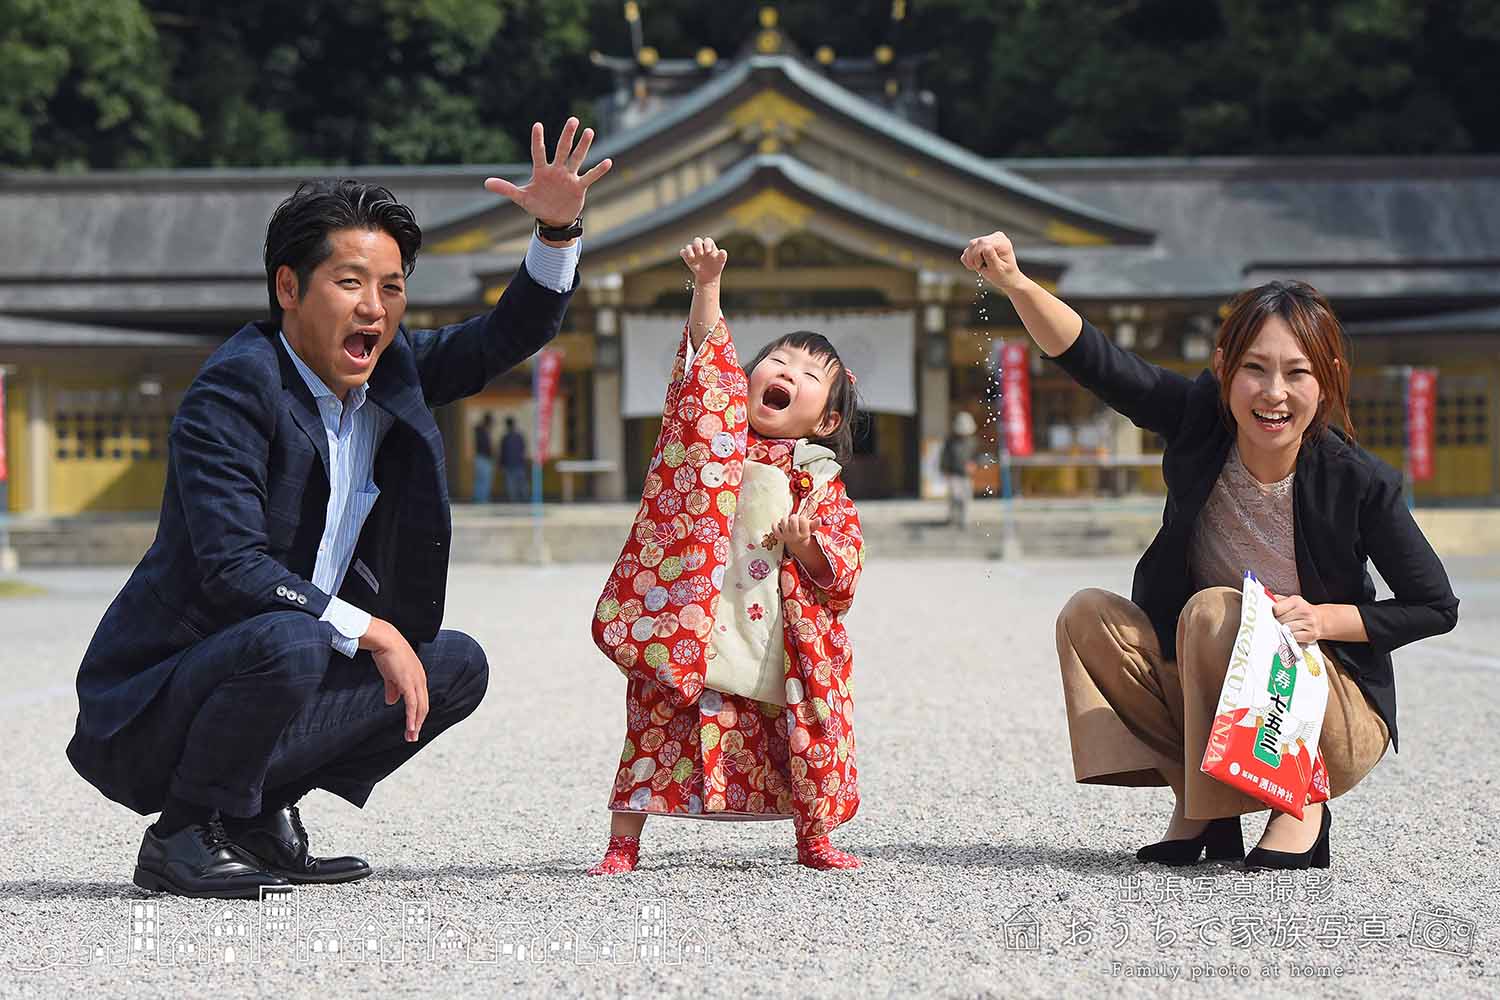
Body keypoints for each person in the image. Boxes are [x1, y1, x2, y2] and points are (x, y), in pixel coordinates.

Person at [65, 118, 612, 899]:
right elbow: (232, 568)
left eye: (391, 287)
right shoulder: (236, 388)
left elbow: (503, 336)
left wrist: (556, 232)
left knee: (454, 665)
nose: (375, 308)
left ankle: (254, 815)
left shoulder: (393, 371)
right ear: (289, 288)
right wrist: (370, 628)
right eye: (350, 283)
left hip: (276, 658)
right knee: (296, 636)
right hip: (153, 703)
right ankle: (180, 836)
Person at [962, 231, 1458, 871]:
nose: (1273, 392)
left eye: (1297, 372)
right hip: (1215, 690)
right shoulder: (1198, 420)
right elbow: (1097, 360)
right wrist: (1015, 283)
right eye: (1254, 368)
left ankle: (1302, 806)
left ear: (1328, 378)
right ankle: (1202, 804)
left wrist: (1323, 618)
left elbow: (1435, 605)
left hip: (1328, 710)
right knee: (1089, 615)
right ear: (1224, 368)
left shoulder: (1357, 481)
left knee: (1215, 611)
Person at [587, 237, 866, 874]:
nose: (787, 373)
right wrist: (707, 285)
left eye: (809, 375)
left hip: (779, 633)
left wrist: (808, 544)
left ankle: (815, 837)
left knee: (800, 731)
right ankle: (623, 842)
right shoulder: (713, 438)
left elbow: (845, 566)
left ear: (825, 422)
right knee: (656, 724)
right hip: (696, 615)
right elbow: (706, 372)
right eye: (778, 361)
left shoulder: (820, 480)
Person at [940, 410, 979, 528]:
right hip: (953, 473)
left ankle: (964, 520)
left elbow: (976, 457)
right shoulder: (950, 441)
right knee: (955, 497)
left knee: (966, 497)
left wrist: (974, 464)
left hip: (967, 475)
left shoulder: (973, 441)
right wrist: (945, 469)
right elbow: (945, 456)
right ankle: (952, 518)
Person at [500, 416, 529, 502]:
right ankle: (525, 500)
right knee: (522, 484)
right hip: (519, 463)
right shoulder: (519, 436)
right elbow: (523, 450)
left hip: (509, 464)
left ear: (507, 425)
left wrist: (502, 465)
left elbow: (502, 453)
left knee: (511, 485)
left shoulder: (505, 438)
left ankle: (514, 501)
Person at [473, 413, 496, 504]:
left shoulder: (480, 431)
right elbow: (486, 447)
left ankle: (479, 498)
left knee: (480, 480)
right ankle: (482, 499)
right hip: (484, 458)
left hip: (480, 458)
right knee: (485, 480)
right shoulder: (483, 432)